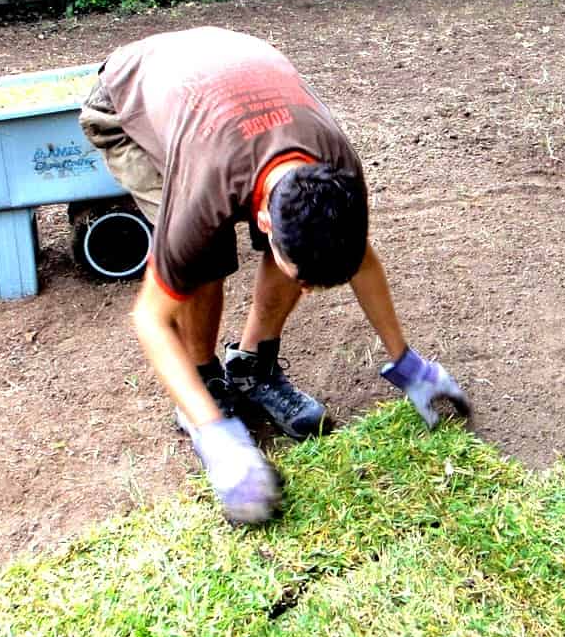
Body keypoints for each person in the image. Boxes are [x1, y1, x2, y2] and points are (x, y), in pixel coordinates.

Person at [79, 26, 469, 525]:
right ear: (263, 221)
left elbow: (359, 257)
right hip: (125, 101)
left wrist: (407, 362)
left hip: (227, 83)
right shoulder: (205, 189)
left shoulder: (338, 171)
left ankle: (252, 366)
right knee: (203, 262)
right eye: (304, 282)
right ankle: (205, 385)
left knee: (299, 252)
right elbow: (150, 319)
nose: (305, 293)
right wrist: (216, 437)